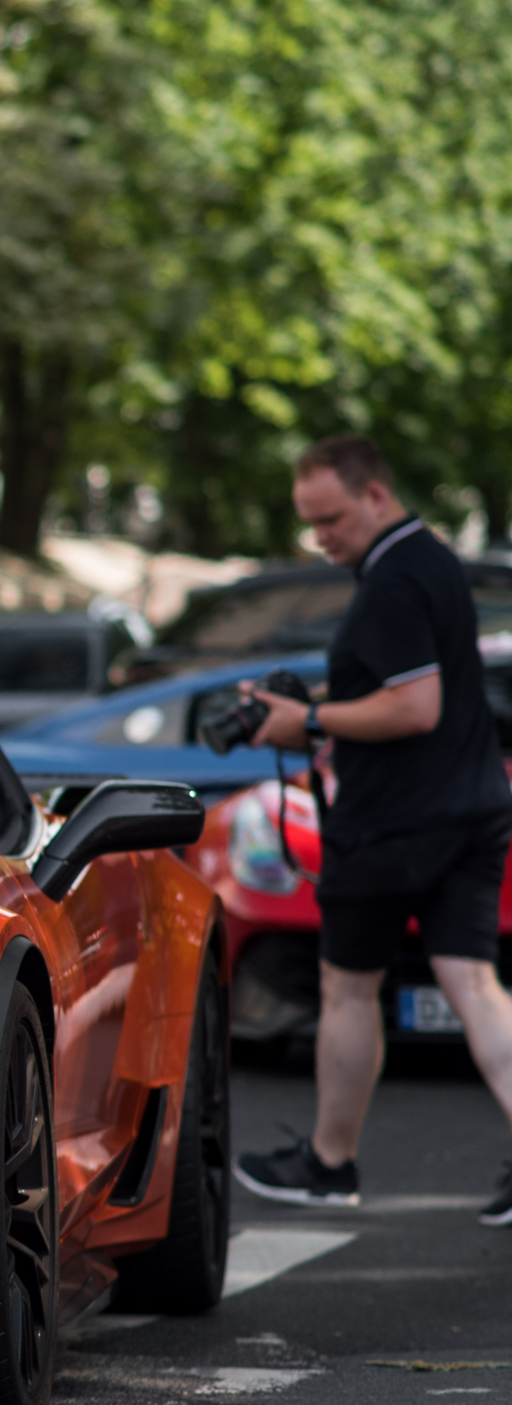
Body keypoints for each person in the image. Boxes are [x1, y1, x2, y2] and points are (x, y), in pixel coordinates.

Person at [233, 436, 512, 1224]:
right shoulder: (435, 561)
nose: (321, 537)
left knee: (349, 989)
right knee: (474, 984)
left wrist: (308, 718)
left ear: (375, 495)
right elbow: (409, 685)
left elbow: (413, 705)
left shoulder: (391, 583)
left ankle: (328, 1163)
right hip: (474, 806)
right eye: (310, 523)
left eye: (330, 518)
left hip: (394, 822)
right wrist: (316, 698)